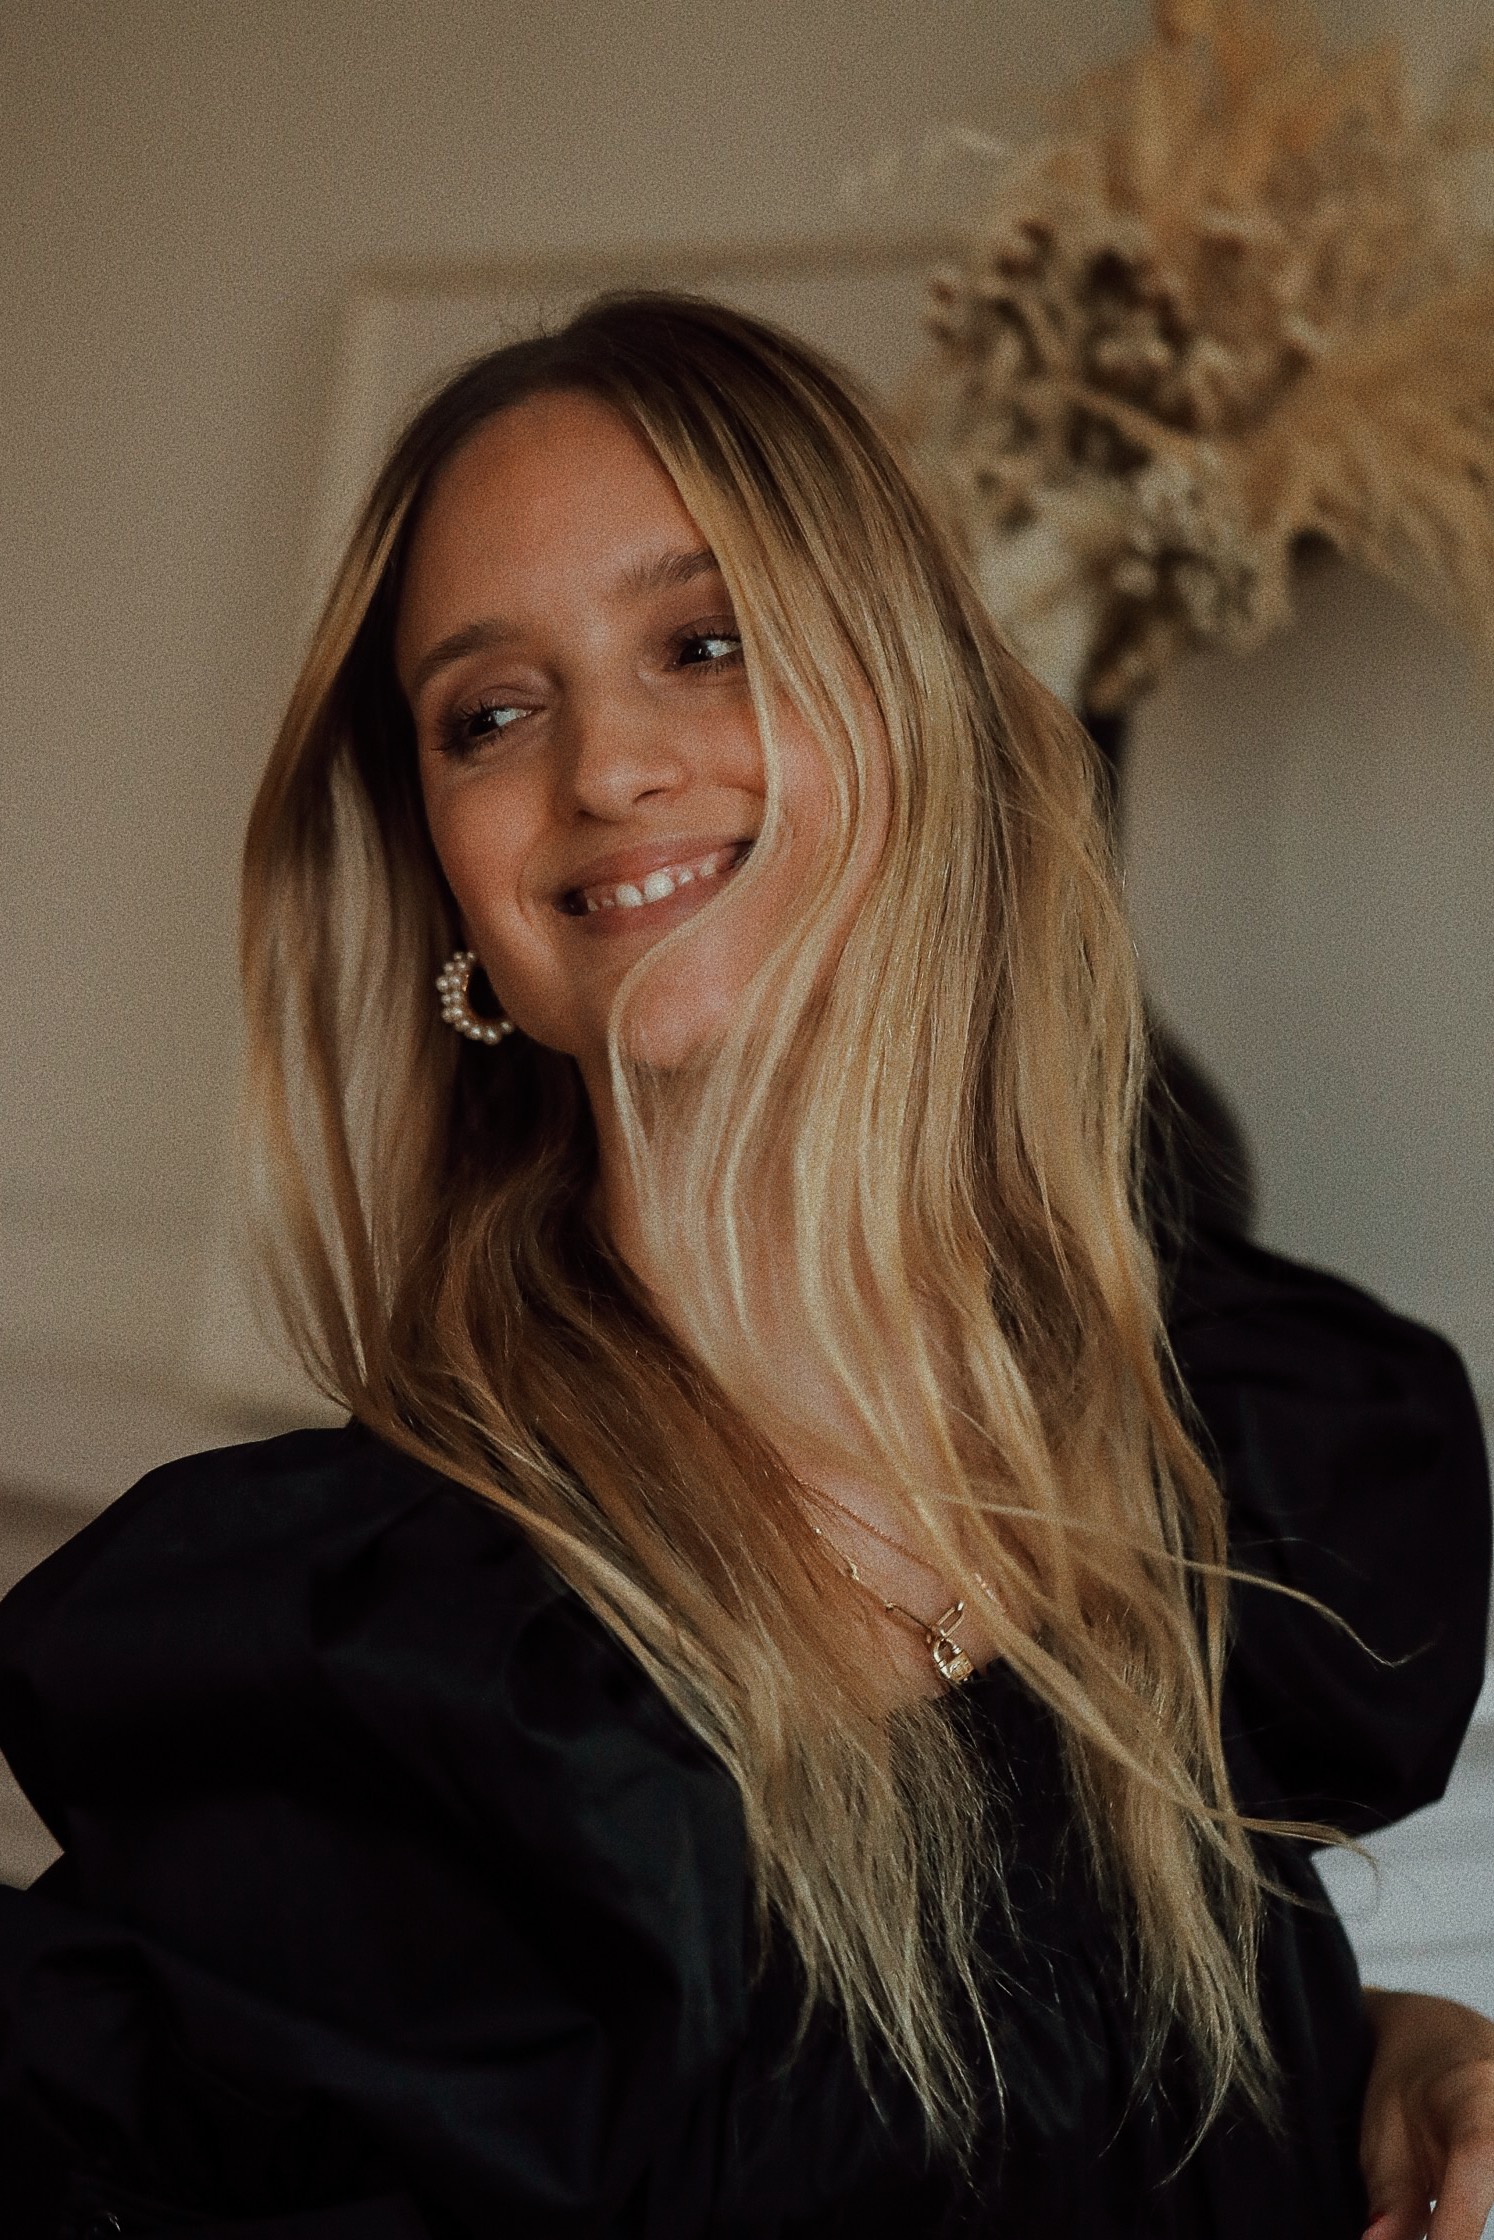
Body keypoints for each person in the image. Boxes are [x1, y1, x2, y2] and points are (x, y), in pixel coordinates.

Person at [0, 293, 1489, 2239]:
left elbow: (1027, 2092)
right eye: (489, 713)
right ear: (442, 867)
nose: (607, 767)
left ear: (915, 705)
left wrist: (1396, 2052)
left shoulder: (1226, 1431)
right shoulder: (392, 1672)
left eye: (703, 643)